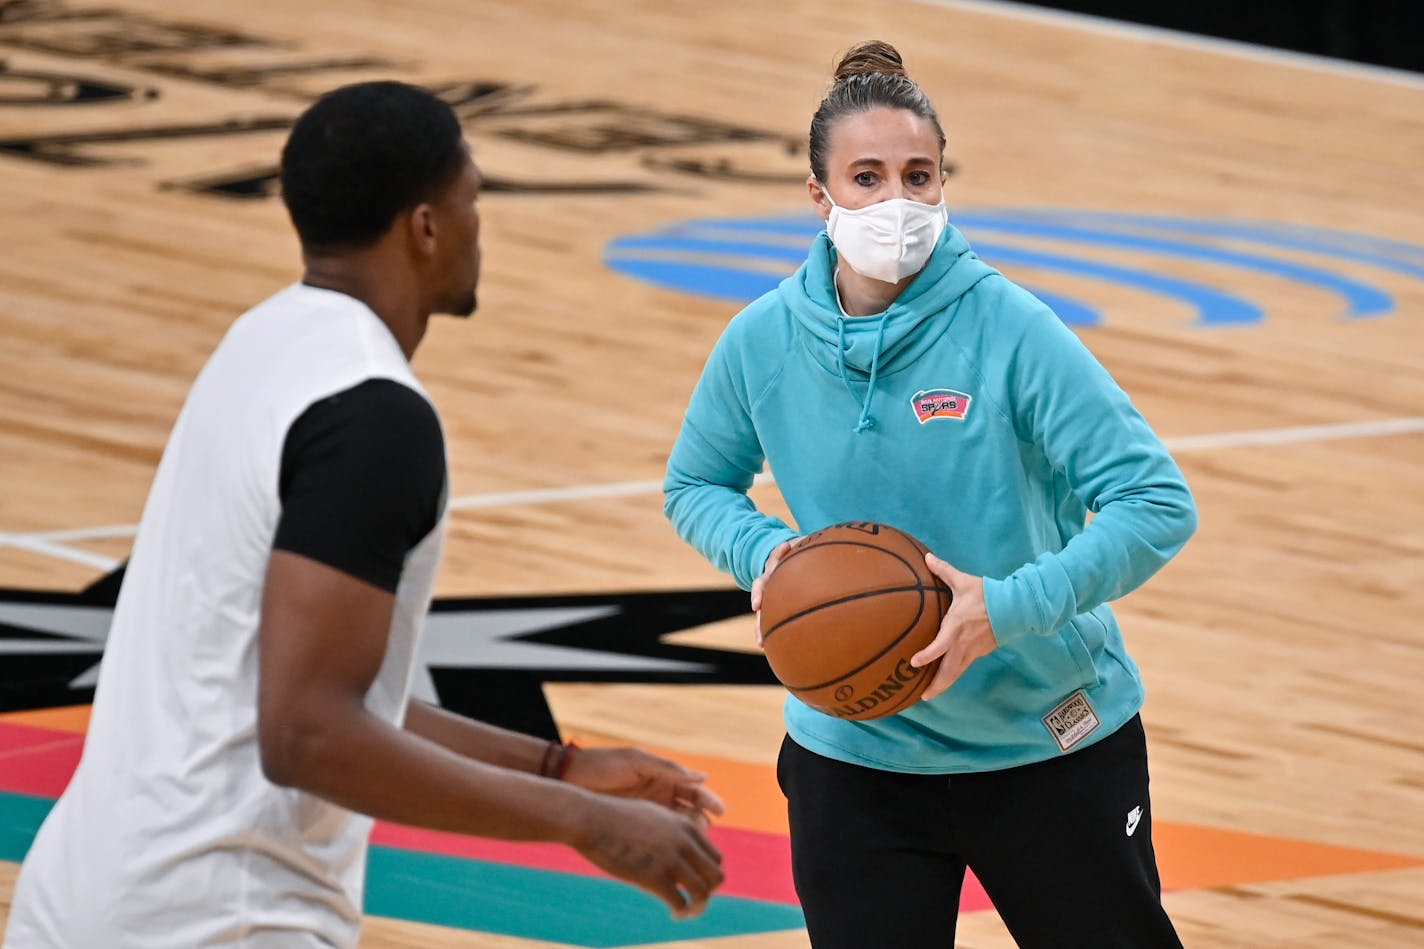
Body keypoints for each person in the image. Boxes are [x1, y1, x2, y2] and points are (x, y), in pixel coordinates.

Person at [5, 80, 723, 949]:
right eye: (472, 202)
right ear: (423, 226)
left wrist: (559, 764)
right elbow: (307, 731)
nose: (477, 228)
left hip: (83, 892)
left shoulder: (260, 344)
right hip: (218, 916)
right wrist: (578, 818)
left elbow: (301, 682)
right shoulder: (376, 417)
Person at [663, 41, 1196, 949]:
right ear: (818, 196)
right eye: (866, 178)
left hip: (1047, 739)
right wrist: (768, 555)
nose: (896, 202)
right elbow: (694, 484)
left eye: (919, 175)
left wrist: (1009, 607)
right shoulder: (761, 342)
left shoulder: (1012, 329)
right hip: (857, 755)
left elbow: (1155, 500)